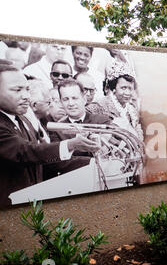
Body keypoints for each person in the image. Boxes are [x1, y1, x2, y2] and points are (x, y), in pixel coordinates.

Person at [0, 65, 100, 206]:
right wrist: (71, 144)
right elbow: (25, 151)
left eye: (27, 89)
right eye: (17, 90)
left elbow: (42, 156)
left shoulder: (20, 118)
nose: (26, 96)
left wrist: (93, 163)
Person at [50, 79, 111, 149]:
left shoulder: (102, 122)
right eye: (66, 99)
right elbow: (59, 157)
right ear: (61, 102)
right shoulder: (57, 130)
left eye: (74, 98)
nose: (71, 103)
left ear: (84, 99)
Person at [102, 60, 143, 142]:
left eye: (130, 88)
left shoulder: (133, 110)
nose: (127, 93)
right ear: (114, 88)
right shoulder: (99, 106)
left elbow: (139, 137)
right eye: (123, 88)